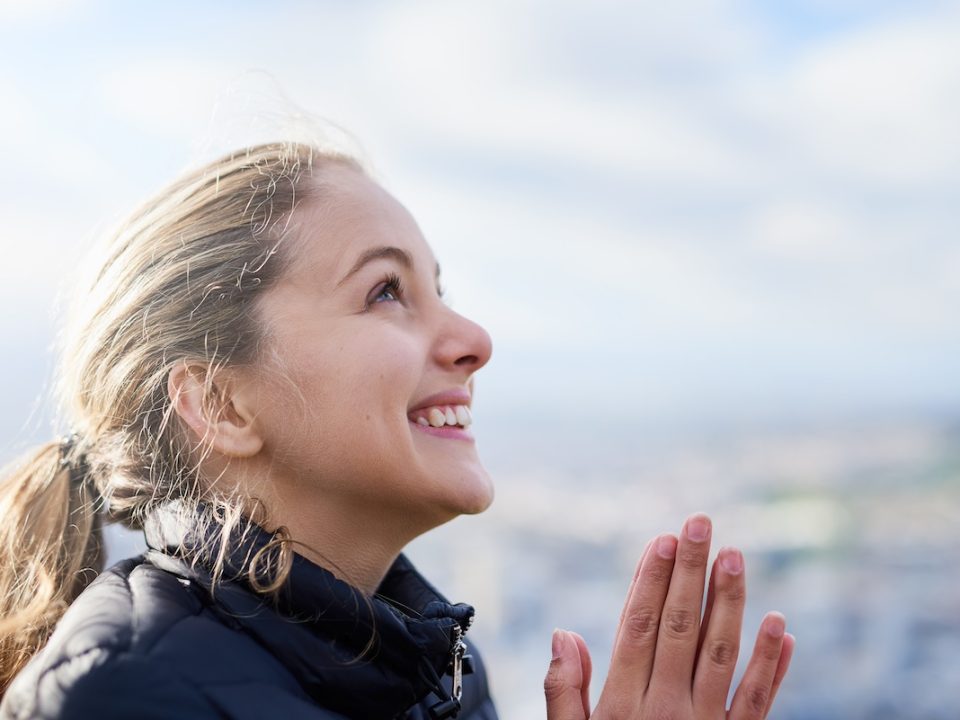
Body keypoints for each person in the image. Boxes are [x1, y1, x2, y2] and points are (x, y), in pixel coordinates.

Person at [0, 140, 793, 719]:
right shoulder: (122, 698)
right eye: (386, 291)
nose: (473, 339)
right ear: (221, 404)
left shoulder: (441, 671)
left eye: (438, 289)